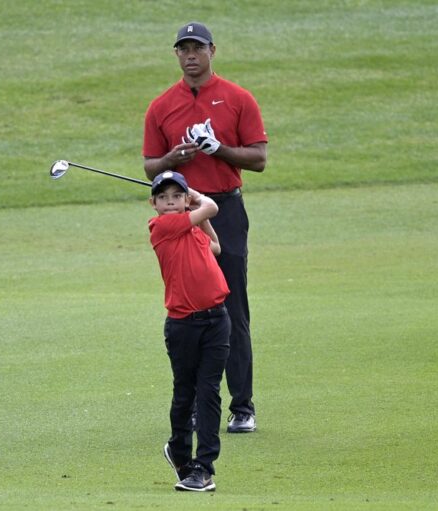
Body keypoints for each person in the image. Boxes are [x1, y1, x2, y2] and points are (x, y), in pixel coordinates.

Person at [143, 21, 268, 433]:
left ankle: (243, 406)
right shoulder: (161, 107)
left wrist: (220, 150)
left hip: (225, 210)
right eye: (183, 49)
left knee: (232, 307)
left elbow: (258, 158)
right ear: (176, 54)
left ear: (213, 50)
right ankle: (197, 404)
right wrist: (171, 160)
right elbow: (149, 167)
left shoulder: (237, 98)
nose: (190, 55)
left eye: (198, 47)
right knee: (190, 308)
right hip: (180, 218)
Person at [148, 170, 231, 492]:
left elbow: (216, 248)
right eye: (163, 197)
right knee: (185, 394)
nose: (170, 203)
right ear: (153, 203)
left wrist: (193, 206)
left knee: (208, 392)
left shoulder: (190, 230)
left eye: (176, 196)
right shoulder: (161, 227)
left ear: (184, 201)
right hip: (183, 324)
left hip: (216, 320)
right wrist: (195, 197)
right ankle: (181, 453)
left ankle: (203, 467)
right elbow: (212, 207)